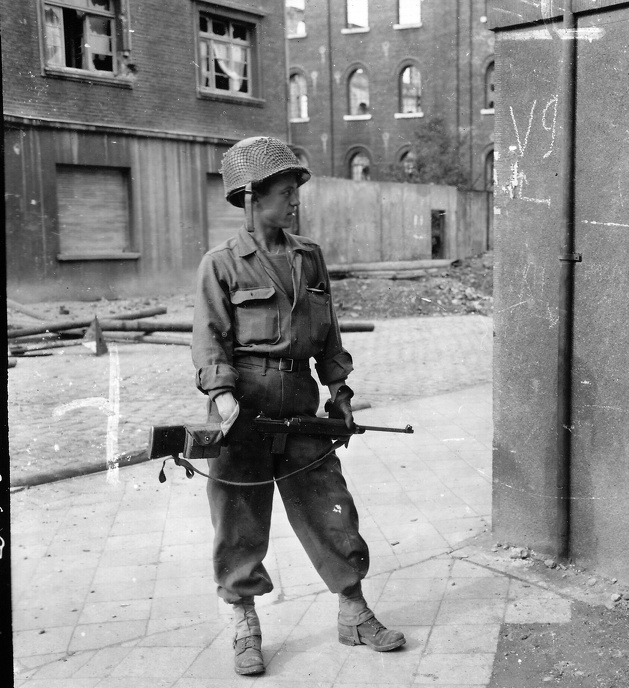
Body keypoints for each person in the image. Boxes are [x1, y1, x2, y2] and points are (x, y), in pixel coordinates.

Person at [191, 136, 405, 676]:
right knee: (239, 521)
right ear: (252, 197)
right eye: (285, 192)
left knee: (330, 505)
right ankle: (244, 625)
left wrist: (341, 391)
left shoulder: (309, 258)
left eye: (295, 193)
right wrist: (222, 397)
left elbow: (328, 335)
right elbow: (209, 341)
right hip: (245, 409)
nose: (294, 203)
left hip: (302, 405)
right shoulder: (221, 265)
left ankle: (353, 612)